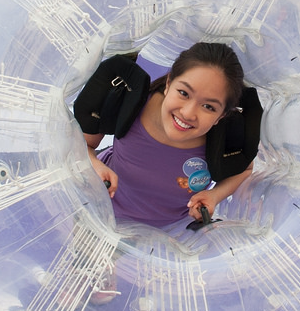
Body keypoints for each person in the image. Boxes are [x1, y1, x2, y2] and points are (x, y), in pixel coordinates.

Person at [77, 42, 259, 230]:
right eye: (183, 93)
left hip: (169, 230)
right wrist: (94, 165)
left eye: (208, 107)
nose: (188, 113)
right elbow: (84, 146)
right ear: (169, 83)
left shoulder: (225, 137)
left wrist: (215, 195)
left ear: (221, 116)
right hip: (100, 208)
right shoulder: (131, 104)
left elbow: (244, 170)